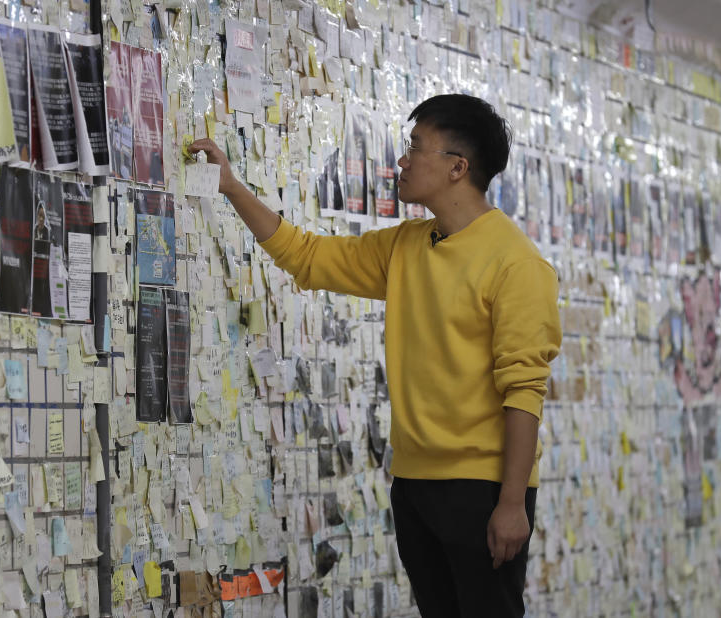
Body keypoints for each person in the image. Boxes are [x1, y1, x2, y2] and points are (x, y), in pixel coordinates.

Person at [190, 93, 562, 617]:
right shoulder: (408, 245)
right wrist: (230, 187)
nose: (402, 161)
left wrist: (510, 503)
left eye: (415, 148)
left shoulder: (517, 264)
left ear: (458, 168)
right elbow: (309, 258)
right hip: (414, 486)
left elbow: (524, 389)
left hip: (483, 490)